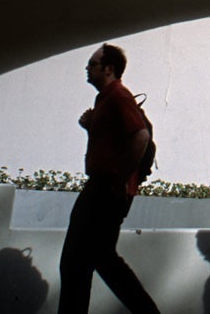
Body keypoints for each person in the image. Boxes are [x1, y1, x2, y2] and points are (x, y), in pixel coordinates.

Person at [57, 43, 162, 314]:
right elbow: (113, 142)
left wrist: (119, 180)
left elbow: (141, 136)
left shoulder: (118, 95)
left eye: (92, 64)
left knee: (78, 261)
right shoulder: (105, 99)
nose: (87, 69)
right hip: (105, 187)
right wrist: (91, 126)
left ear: (109, 68)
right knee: (95, 260)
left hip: (105, 189)